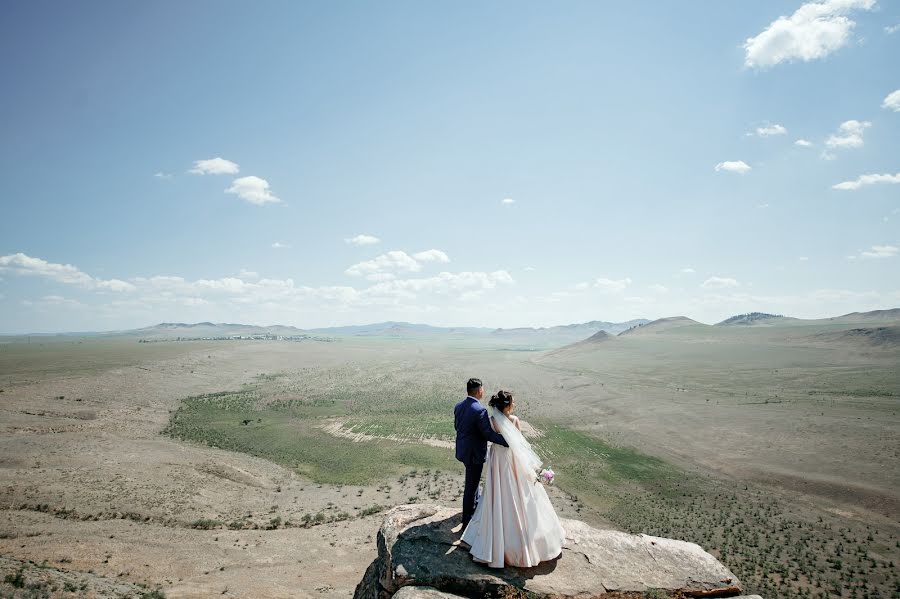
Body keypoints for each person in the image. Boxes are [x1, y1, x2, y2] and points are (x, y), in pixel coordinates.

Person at [461, 390, 565, 568]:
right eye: (512, 402)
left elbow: (489, 436)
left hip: (496, 459)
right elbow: (519, 445)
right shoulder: (514, 420)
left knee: (497, 490)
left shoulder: (492, 421)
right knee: (517, 490)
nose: (514, 405)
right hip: (510, 458)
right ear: (507, 405)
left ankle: (495, 529)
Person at [454, 377, 508, 531]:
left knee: (473, 482)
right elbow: (488, 434)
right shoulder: (479, 410)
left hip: (463, 451)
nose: (483, 391)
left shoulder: (458, 406)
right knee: (471, 487)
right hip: (474, 454)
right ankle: (467, 521)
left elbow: (457, 427)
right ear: (479, 391)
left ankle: (475, 506)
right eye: (482, 389)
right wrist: (508, 441)